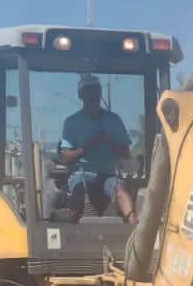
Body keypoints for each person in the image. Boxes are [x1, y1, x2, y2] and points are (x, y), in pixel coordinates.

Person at [56, 76, 137, 222]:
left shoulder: (114, 120)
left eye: (96, 90)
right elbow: (66, 156)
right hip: (82, 174)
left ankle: (135, 226)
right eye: (88, 91)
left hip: (109, 176)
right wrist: (90, 145)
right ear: (81, 95)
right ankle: (68, 224)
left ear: (100, 94)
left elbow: (125, 153)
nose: (93, 94)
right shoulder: (71, 122)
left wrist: (109, 141)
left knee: (120, 189)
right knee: (80, 189)